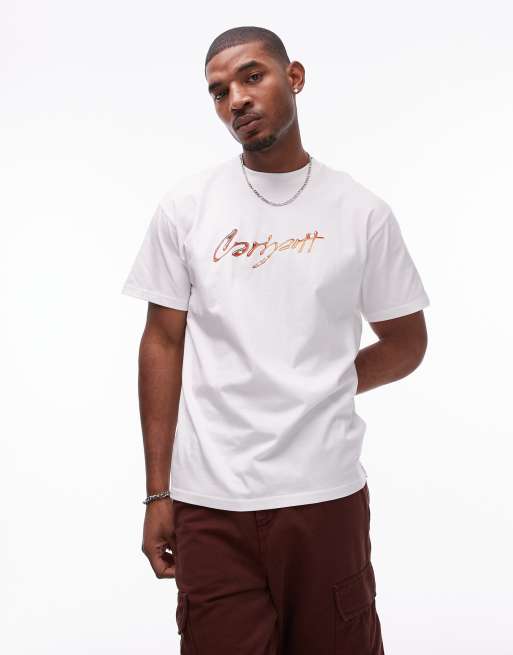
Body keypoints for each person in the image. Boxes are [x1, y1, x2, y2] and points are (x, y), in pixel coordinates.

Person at [121, 25, 430, 655]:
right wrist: (158, 492)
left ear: (294, 77)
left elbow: (406, 342)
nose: (235, 98)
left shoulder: (360, 212)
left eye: (252, 76)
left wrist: (325, 383)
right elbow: (162, 343)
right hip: (211, 502)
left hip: (324, 495)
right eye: (218, 91)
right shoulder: (187, 208)